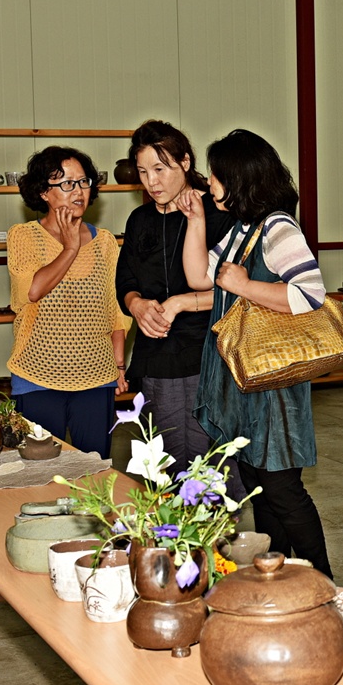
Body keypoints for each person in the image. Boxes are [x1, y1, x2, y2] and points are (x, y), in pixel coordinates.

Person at [178, 129, 332, 578]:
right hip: (246, 384)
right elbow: (199, 278)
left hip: (274, 390)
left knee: (283, 490)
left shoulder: (278, 227)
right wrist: (195, 220)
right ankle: (277, 576)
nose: (208, 183)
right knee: (260, 488)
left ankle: (324, 583)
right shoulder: (244, 228)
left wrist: (244, 285)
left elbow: (311, 294)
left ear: (238, 177)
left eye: (215, 175)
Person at [116, 120, 237, 472]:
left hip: (208, 350)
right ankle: (171, 528)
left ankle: (217, 527)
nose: (152, 181)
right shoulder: (140, 219)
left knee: (211, 458)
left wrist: (183, 303)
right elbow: (124, 278)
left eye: (160, 168)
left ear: (185, 162)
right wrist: (136, 305)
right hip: (157, 354)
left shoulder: (217, 213)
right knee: (163, 458)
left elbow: (240, 287)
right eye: (142, 171)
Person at [7, 146, 130, 458]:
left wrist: (118, 366)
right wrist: (70, 248)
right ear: (43, 193)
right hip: (37, 376)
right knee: (40, 472)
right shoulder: (23, 236)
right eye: (66, 183)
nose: (78, 191)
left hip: (96, 377)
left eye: (83, 182)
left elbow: (117, 312)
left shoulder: (104, 243)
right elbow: (31, 291)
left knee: (94, 470)